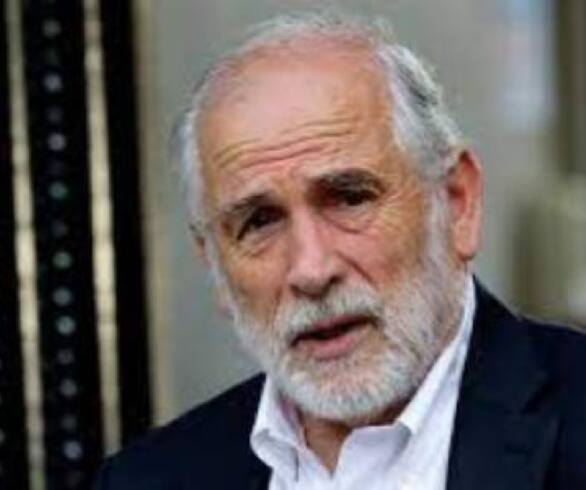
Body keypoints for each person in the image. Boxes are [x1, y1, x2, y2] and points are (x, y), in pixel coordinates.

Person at [95, 11, 586, 490]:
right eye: (260, 222)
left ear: (456, 203)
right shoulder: (146, 479)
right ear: (216, 264)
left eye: (350, 199)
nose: (312, 270)